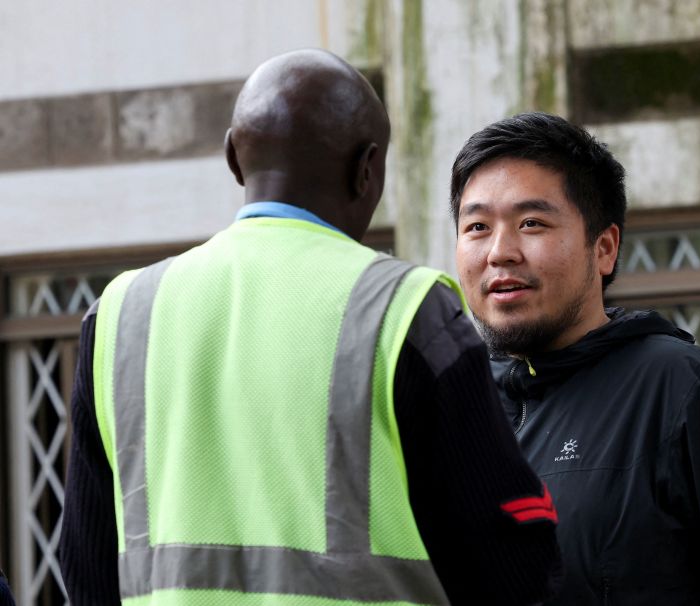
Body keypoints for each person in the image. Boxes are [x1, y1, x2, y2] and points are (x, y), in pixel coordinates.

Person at [59, 51, 561, 605]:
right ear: (367, 169)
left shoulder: (120, 316)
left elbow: (85, 566)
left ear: (233, 158)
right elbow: (507, 552)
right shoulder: (404, 309)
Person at [450, 111, 700, 605]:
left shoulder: (681, 387)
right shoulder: (459, 408)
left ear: (603, 248)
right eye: (477, 226)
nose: (500, 251)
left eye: (531, 223)